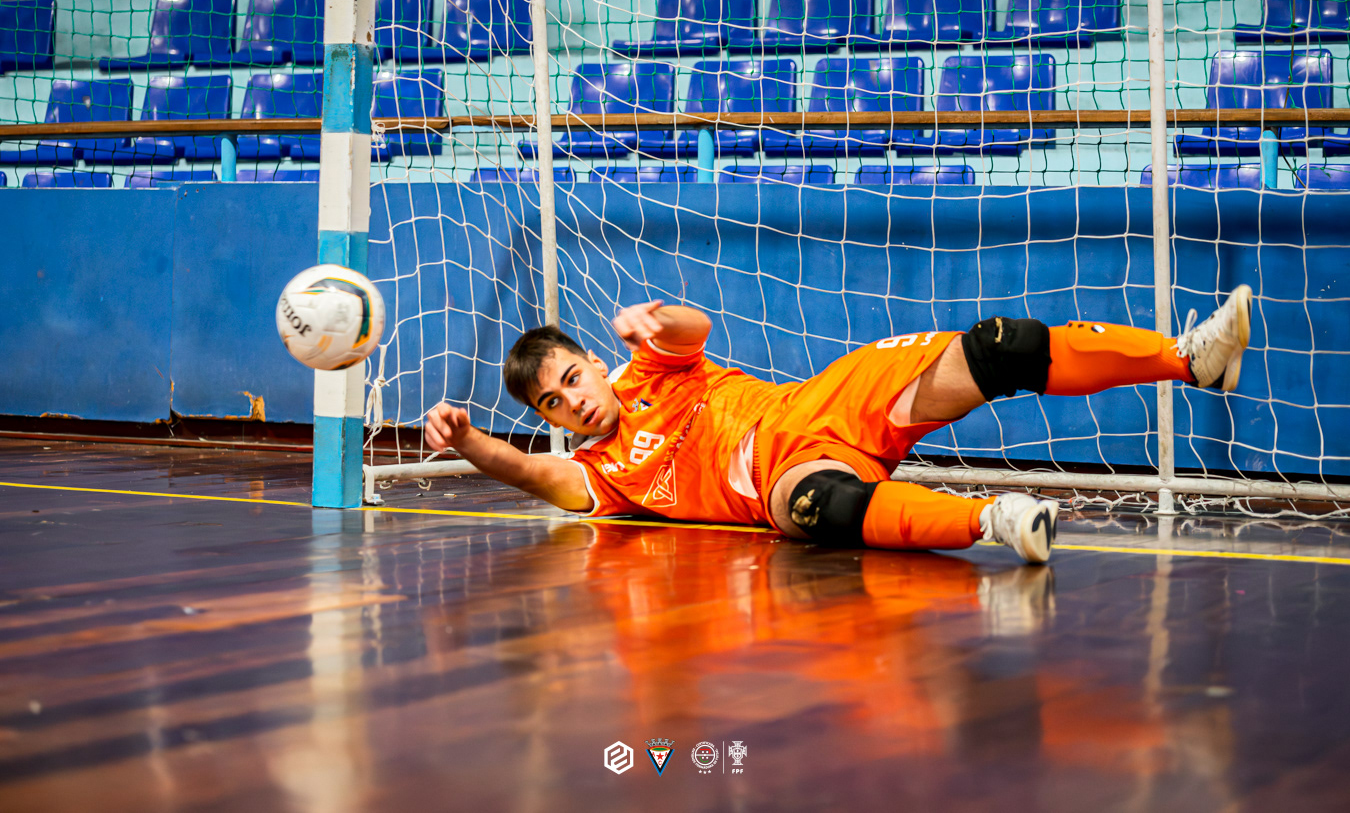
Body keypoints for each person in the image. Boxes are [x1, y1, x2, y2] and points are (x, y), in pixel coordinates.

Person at [424, 286, 1253, 564]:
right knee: (814, 509)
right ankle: (994, 520)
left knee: (998, 347)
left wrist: (654, 316)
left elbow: (694, 329)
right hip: (779, 479)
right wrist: (468, 443)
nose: (572, 401)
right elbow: (530, 473)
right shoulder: (599, 476)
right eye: (553, 403)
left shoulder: (648, 366)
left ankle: (1189, 359)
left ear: (593, 363)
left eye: (572, 378)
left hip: (819, 405)